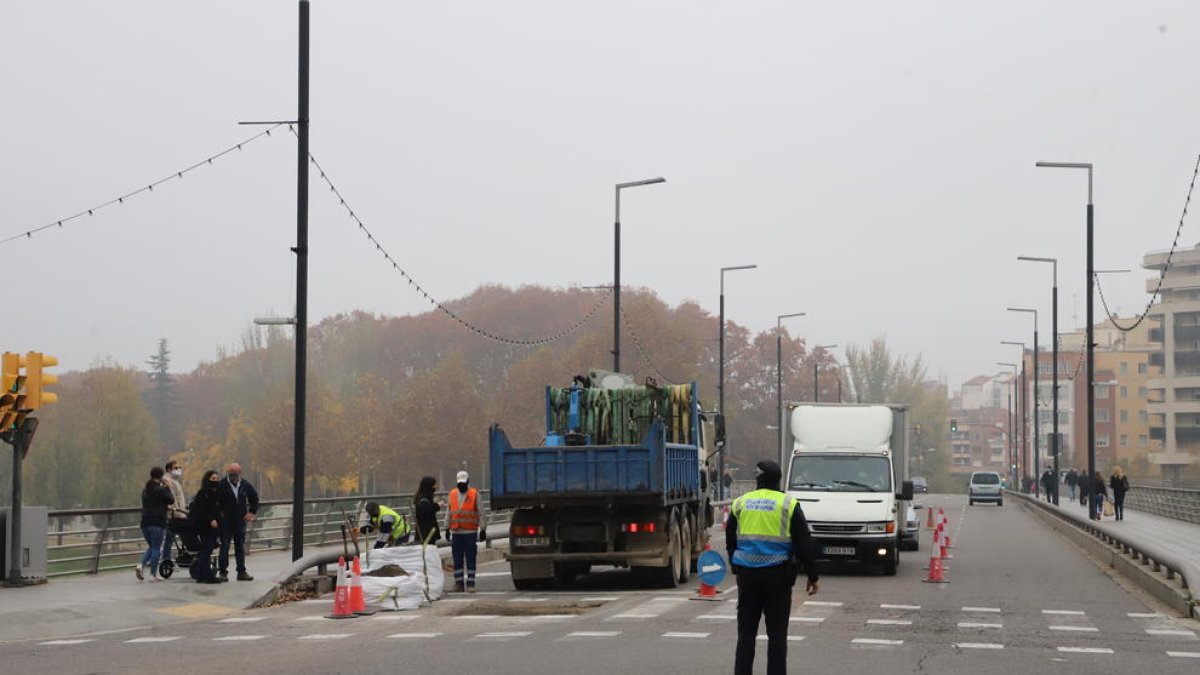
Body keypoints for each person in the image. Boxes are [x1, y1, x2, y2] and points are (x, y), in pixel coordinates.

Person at [726, 459, 819, 675]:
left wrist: (735, 561)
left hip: (747, 576)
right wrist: (813, 575)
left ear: (757, 479)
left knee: (746, 635)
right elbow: (804, 542)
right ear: (778, 480)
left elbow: (730, 536)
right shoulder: (788, 504)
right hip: (777, 577)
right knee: (777, 636)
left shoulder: (741, 502)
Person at [217, 462, 259, 581]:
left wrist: (251, 512)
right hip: (226, 522)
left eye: (235, 474)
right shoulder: (222, 485)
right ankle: (223, 572)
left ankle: (241, 571)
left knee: (240, 546)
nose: (232, 476)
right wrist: (219, 513)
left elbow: (254, 498)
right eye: (230, 473)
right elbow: (215, 501)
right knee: (224, 546)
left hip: (240, 521)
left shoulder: (245, 485)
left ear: (239, 473)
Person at [447, 470, 483, 592]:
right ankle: (459, 583)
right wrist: (446, 528)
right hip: (456, 532)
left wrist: (483, 529)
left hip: (470, 533)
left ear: (468, 482)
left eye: (463, 483)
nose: (461, 485)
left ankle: (471, 583)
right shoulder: (452, 494)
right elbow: (449, 512)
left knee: (470, 558)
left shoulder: (475, 494)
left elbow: (481, 513)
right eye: (459, 483)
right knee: (457, 559)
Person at [138, 467, 175, 582]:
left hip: (145, 522)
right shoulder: (160, 490)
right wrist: (168, 488)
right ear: (161, 476)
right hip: (157, 522)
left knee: (152, 547)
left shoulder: (146, 490)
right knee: (156, 548)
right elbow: (171, 500)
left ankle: (140, 565)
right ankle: (153, 574)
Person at [188, 469, 223, 583]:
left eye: (217, 479)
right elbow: (202, 510)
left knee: (206, 550)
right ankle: (206, 575)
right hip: (205, 526)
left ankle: (202, 575)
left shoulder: (216, 492)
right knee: (206, 550)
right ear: (207, 479)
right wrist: (210, 520)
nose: (215, 481)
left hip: (214, 525)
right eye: (213, 479)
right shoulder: (203, 493)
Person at [413, 476, 443, 546]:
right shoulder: (423, 500)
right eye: (434, 485)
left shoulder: (421, 497)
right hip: (427, 533)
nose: (435, 487)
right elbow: (428, 512)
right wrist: (437, 505)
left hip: (426, 532)